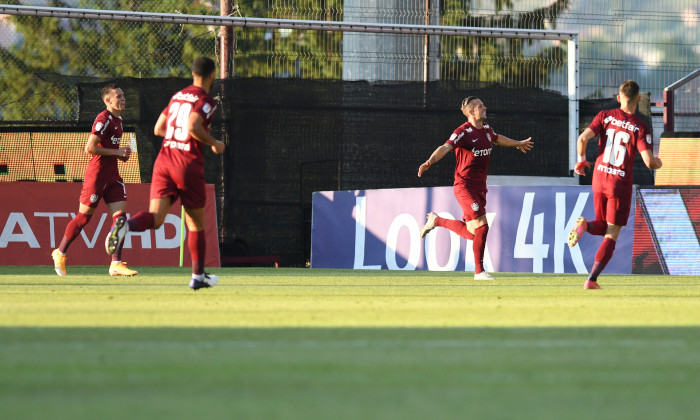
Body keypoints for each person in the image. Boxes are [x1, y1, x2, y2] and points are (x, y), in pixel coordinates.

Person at [105, 56, 225, 290]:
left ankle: (126, 226)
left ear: (192, 73)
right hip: (186, 164)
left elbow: (159, 128)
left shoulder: (178, 96)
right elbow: (193, 126)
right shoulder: (207, 101)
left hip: (164, 161)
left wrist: (176, 136)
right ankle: (198, 276)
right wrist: (213, 142)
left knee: (157, 218)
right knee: (196, 223)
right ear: (212, 75)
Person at [418, 96, 534, 280]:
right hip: (464, 186)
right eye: (480, 106)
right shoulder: (462, 132)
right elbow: (445, 147)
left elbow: (497, 139)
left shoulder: (487, 129)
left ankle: (436, 220)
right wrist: (429, 162)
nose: (485, 107)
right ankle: (479, 272)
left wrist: (517, 143)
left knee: (474, 234)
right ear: (471, 112)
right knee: (482, 226)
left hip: (480, 187)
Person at [568, 80, 662, 290]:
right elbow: (648, 161)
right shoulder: (640, 126)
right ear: (638, 99)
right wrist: (659, 162)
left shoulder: (605, 115)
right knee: (612, 233)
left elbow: (583, 138)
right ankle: (591, 280)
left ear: (619, 98)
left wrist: (581, 159)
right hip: (619, 183)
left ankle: (585, 225)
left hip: (599, 177)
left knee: (602, 226)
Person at [51, 84, 137, 277]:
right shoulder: (103, 119)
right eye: (119, 96)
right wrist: (117, 152)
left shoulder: (119, 120)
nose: (123, 98)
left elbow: (110, 149)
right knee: (83, 219)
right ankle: (60, 252)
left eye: (123, 95)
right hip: (97, 176)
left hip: (113, 175)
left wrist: (120, 154)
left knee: (121, 219)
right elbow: (90, 148)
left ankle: (116, 264)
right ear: (108, 100)